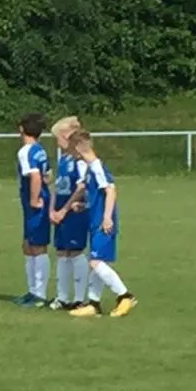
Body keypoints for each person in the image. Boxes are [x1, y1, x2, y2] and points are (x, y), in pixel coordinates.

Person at [69, 132, 137, 319]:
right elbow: (97, 196)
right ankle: (94, 304)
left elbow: (110, 190)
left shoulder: (97, 166)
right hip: (95, 221)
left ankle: (125, 295)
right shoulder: (90, 169)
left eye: (72, 149)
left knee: (95, 262)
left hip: (102, 223)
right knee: (97, 263)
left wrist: (107, 217)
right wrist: (83, 205)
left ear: (78, 148)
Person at [48, 118, 91, 311]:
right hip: (60, 213)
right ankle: (62, 297)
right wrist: (52, 210)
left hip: (74, 213)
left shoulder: (79, 161)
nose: (56, 142)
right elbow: (57, 187)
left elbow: (81, 188)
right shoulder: (63, 159)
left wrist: (65, 210)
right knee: (61, 251)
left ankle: (80, 298)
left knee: (75, 251)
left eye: (57, 137)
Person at [14, 114, 51, 307]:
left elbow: (36, 177)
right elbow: (48, 175)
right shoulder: (40, 150)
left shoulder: (25, 151)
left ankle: (39, 294)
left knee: (37, 246)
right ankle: (32, 291)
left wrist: (34, 199)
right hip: (36, 199)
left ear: (22, 129)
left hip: (34, 202)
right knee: (28, 245)